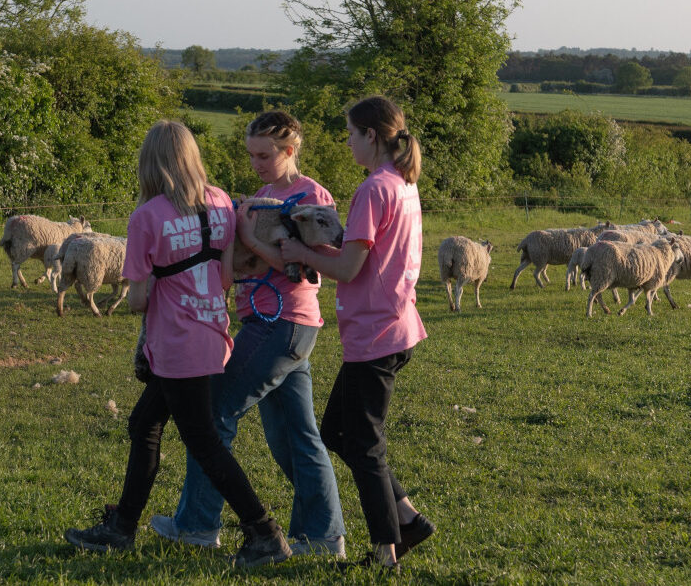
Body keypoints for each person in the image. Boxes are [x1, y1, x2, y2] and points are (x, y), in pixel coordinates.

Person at [64, 120, 292, 568]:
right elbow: (225, 276)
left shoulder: (148, 216)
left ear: (149, 162)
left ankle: (264, 532)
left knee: (204, 443)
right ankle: (122, 526)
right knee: (143, 425)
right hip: (211, 334)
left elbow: (138, 300)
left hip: (174, 345)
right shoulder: (220, 202)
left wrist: (161, 281)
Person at [149, 110, 347, 557]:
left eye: (264, 155)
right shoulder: (262, 195)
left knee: (215, 414)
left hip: (281, 323)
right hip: (277, 326)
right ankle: (323, 536)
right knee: (294, 436)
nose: (256, 163)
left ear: (289, 150)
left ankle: (197, 524)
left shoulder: (310, 195)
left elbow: (305, 270)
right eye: (252, 155)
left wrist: (247, 237)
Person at [279, 95, 435, 572]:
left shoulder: (373, 189)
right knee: (337, 432)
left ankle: (387, 552)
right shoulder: (402, 184)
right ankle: (407, 518)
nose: (346, 142)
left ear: (371, 135)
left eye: (350, 133)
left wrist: (300, 252)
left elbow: (348, 267)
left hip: (375, 333)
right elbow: (364, 254)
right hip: (395, 324)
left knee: (363, 444)